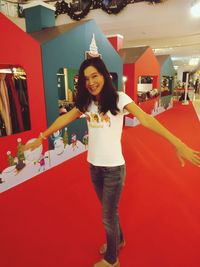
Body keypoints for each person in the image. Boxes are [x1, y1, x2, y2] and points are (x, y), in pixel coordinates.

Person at [23, 57, 200, 267]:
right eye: (86, 78)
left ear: (105, 76)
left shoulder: (119, 98)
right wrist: (42, 137)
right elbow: (65, 118)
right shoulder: (87, 102)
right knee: (110, 212)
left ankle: (112, 259)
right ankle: (119, 240)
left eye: (95, 76)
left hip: (113, 169)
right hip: (94, 166)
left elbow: (146, 119)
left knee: (107, 216)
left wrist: (176, 142)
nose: (91, 82)